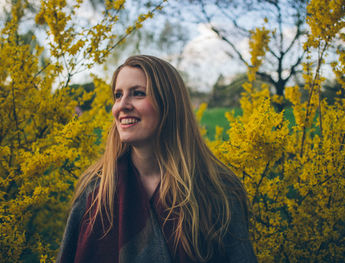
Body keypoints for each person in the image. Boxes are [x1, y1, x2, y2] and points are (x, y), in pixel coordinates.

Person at [57, 55, 257, 263]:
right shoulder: (96, 191)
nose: (122, 106)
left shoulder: (218, 189)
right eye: (118, 95)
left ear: (168, 104)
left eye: (138, 94)